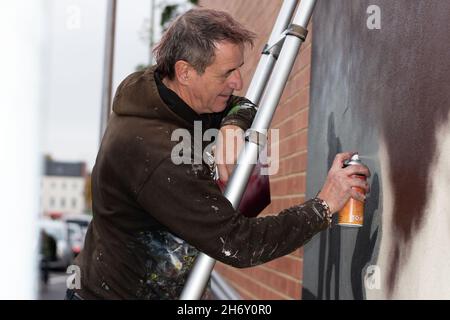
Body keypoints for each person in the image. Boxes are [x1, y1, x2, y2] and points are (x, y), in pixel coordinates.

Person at [68, 8, 370, 300]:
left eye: (239, 69)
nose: (237, 81)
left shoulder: (173, 99)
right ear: (185, 71)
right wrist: (325, 205)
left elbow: (246, 104)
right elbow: (239, 244)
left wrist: (232, 125)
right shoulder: (157, 152)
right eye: (227, 72)